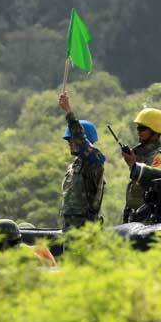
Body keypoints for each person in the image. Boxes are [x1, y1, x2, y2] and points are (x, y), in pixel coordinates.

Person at [58, 92, 106, 231]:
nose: (69, 143)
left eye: (71, 139)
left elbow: (81, 140)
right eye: (69, 140)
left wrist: (68, 111)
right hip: (70, 228)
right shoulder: (74, 166)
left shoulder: (95, 160)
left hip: (86, 230)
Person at [122, 108, 161, 222]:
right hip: (132, 214)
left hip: (149, 217)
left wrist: (132, 166)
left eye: (142, 128)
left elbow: (155, 186)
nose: (138, 132)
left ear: (155, 132)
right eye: (138, 128)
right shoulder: (138, 152)